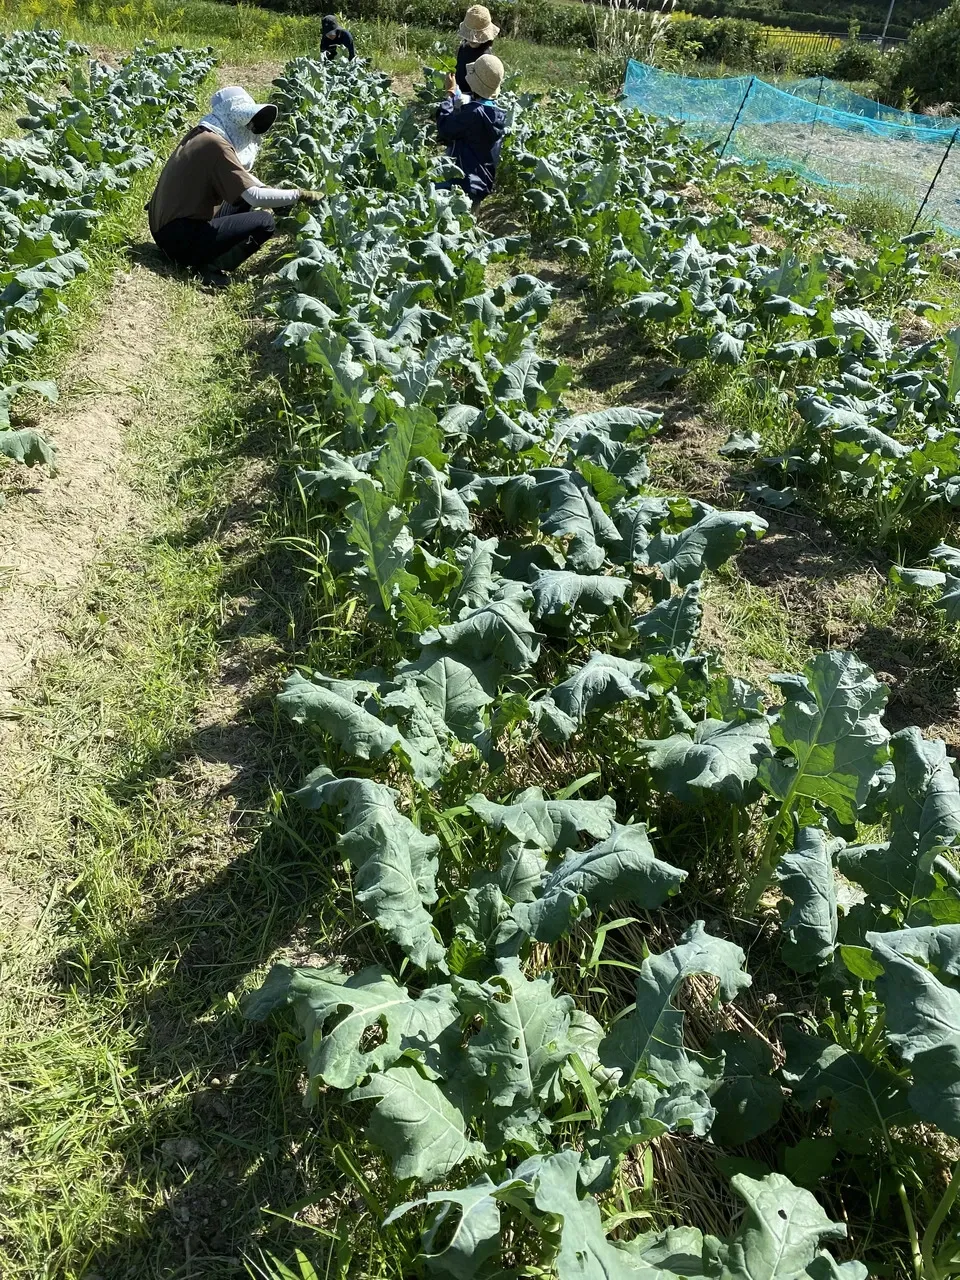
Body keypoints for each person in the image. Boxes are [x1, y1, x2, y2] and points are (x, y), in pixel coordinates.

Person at [147, 86, 319, 286]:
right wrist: (299, 195)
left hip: (166, 227)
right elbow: (254, 196)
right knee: (265, 222)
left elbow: (241, 178)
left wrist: (270, 190)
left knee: (240, 199)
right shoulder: (217, 146)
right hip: (176, 239)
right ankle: (209, 267)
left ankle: (205, 256)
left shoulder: (203, 135)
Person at [437, 53, 506, 205]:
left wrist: (449, 94)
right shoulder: (497, 114)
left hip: (463, 185)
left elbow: (445, 128)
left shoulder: (473, 113)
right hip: (482, 185)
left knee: (423, 192)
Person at [455, 4, 498, 96]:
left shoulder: (486, 58)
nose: (472, 39)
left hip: (475, 102)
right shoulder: (463, 48)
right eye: (470, 36)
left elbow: (485, 90)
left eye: (477, 35)